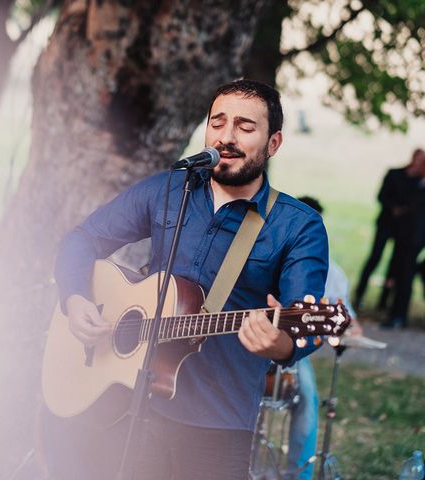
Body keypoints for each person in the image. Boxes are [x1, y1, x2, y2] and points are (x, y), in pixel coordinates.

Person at [48, 79, 329, 480]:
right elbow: (83, 239)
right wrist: (76, 299)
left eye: (245, 127)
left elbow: (307, 325)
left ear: (274, 143)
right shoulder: (167, 190)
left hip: (217, 421)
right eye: (218, 122)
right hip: (129, 405)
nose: (227, 137)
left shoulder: (297, 226)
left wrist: (283, 343)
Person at [286, 196, 363, 480]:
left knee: (307, 399)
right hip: (239, 342)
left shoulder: (331, 272)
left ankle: (298, 475)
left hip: (289, 354)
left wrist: (350, 328)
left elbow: (347, 319)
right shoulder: (265, 249)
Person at [354, 150, 425, 314]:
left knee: (395, 265)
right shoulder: (395, 174)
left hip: (404, 229)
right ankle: (359, 294)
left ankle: (384, 300)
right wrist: (394, 208)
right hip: (386, 223)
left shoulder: (418, 182)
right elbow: (382, 196)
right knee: (375, 258)